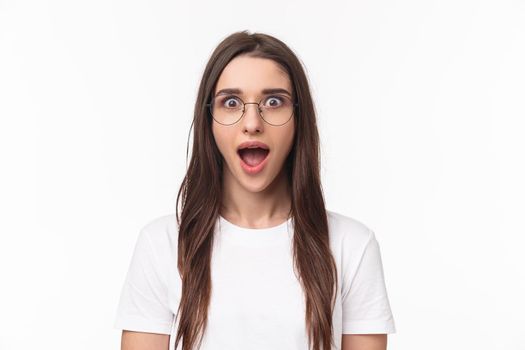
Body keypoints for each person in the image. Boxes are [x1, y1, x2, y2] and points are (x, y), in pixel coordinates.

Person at [113, 30, 396, 350]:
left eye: (273, 101)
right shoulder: (161, 244)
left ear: (298, 119)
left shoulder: (351, 244)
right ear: (210, 120)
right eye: (231, 102)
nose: (252, 122)